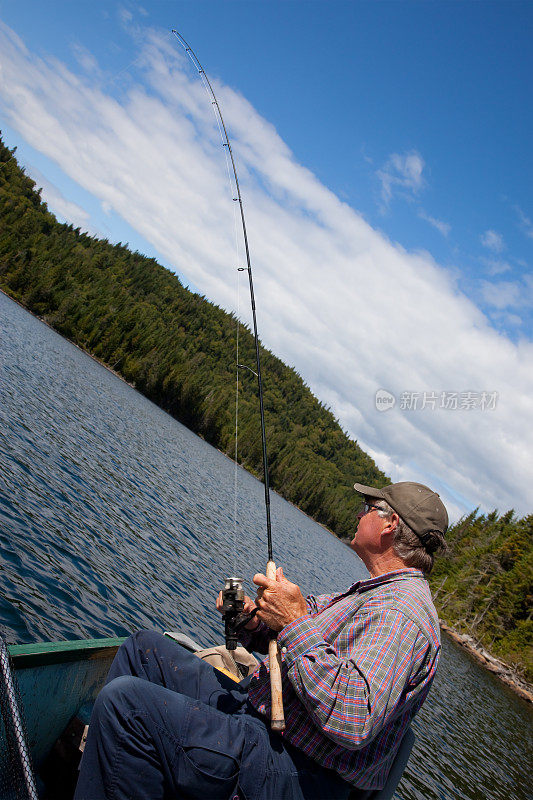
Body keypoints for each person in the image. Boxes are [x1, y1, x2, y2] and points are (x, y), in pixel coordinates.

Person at [75, 481, 448, 800]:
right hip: (265, 720)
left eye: (368, 507)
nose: (358, 514)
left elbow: (354, 717)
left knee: (126, 705)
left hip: (297, 771)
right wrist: (253, 620)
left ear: (390, 523)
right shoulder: (373, 593)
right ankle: (108, 769)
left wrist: (295, 621)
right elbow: (300, 634)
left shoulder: (403, 613)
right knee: (144, 650)